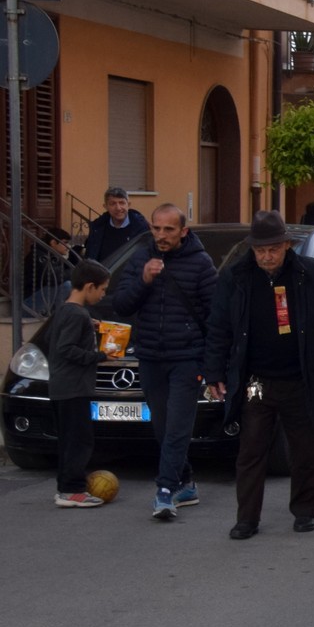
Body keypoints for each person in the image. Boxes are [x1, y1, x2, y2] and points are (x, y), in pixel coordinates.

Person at [202, 211, 314, 541]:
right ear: (252, 249)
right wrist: (214, 371)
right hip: (256, 381)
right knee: (251, 453)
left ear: (286, 245)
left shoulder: (310, 273)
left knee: (306, 451)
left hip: (302, 378)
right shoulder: (236, 277)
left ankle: (305, 511)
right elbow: (219, 328)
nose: (267, 256)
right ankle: (247, 519)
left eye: (273, 249)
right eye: (260, 250)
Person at [112, 204, 217, 519]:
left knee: (177, 427)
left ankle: (165, 491)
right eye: (156, 228)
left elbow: (215, 317)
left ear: (183, 231)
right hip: (150, 357)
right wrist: (143, 280)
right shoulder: (141, 258)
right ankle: (186, 481)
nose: (161, 235)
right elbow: (120, 305)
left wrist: (213, 366)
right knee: (162, 426)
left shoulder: (200, 264)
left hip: (187, 358)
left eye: (168, 229)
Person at [48, 259, 112, 507]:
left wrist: (90, 326)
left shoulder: (66, 310)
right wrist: (98, 357)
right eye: (103, 289)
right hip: (73, 388)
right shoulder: (77, 314)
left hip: (62, 387)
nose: (103, 294)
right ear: (89, 286)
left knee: (68, 441)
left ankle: (65, 487)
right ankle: (72, 490)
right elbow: (67, 348)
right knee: (79, 441)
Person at [83, 187, 149, 264]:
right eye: (113, 204)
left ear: (129, 204)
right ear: (105, 206)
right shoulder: (97, 228)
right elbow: (90, 256)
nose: (118, 208)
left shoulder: (141, 228)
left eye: (122, 203)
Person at [22, 227, 77, 318]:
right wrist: (72, 271)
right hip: (28, 304)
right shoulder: (39, 256)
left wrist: (73, 257)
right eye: (65, 243)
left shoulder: (51, 255)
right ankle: (59, 317)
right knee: (66, 285)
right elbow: (53, 278)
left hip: (40, 299)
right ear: (53, 243)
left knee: (71, 285)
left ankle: (61, 315)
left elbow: (60, 274)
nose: (68, 246)